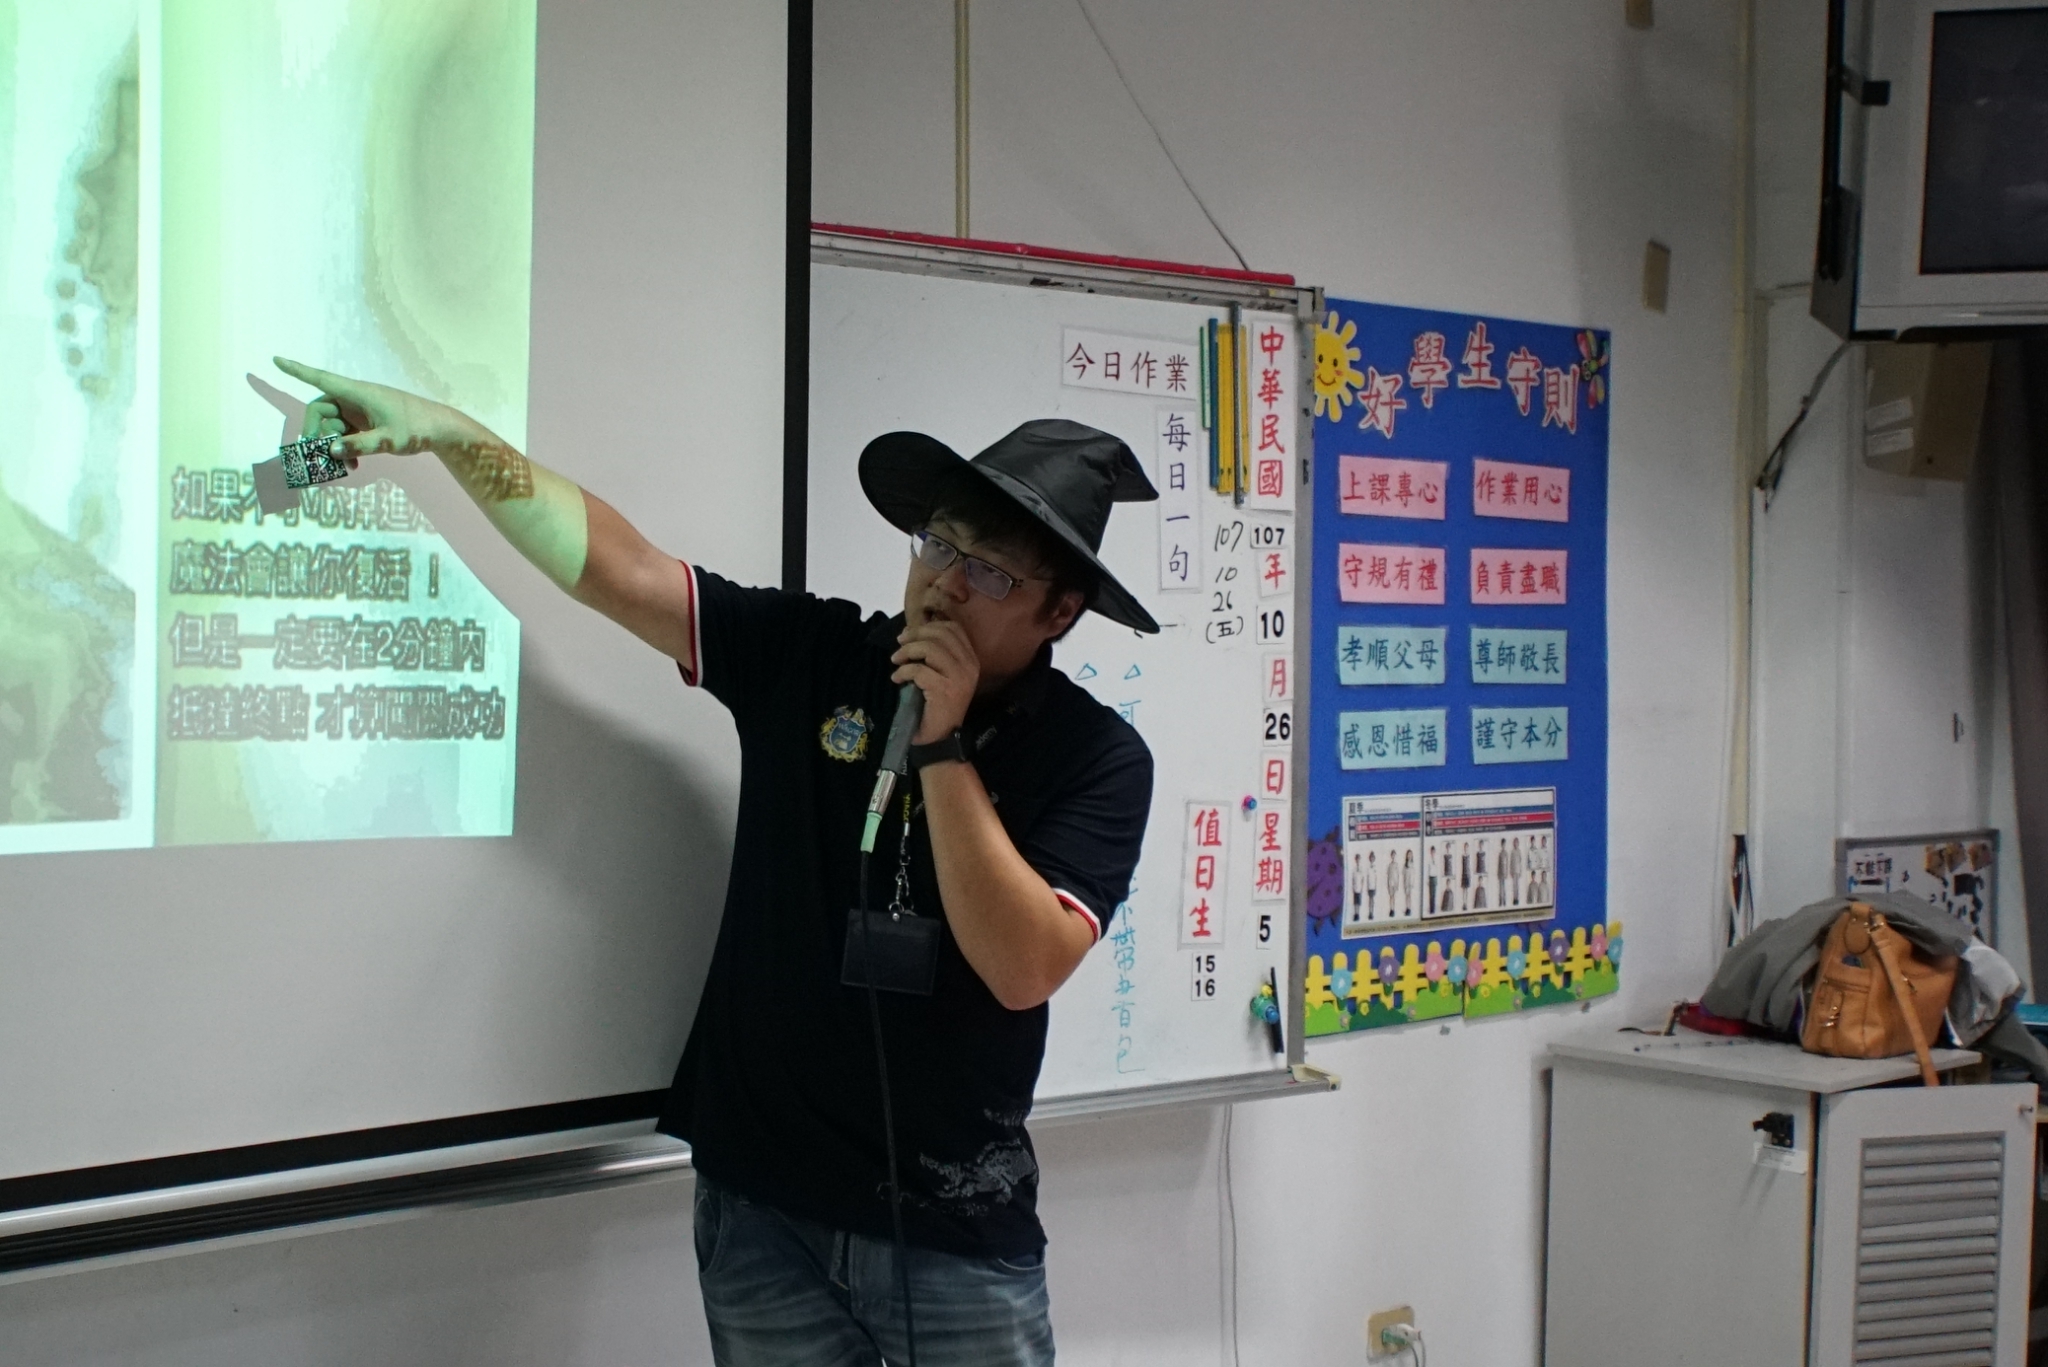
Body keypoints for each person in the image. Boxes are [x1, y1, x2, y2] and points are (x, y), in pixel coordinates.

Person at [270, 360, 1160, 1367]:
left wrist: (942, 745)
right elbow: (624, 568)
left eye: (991, 572)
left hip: (950, 1229)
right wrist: (451, 434)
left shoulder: (1097, 757)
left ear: (1059, 612)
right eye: (938, 544)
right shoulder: (814, 655)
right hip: (760, 1207)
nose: (944, 583)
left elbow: (1023, 964)